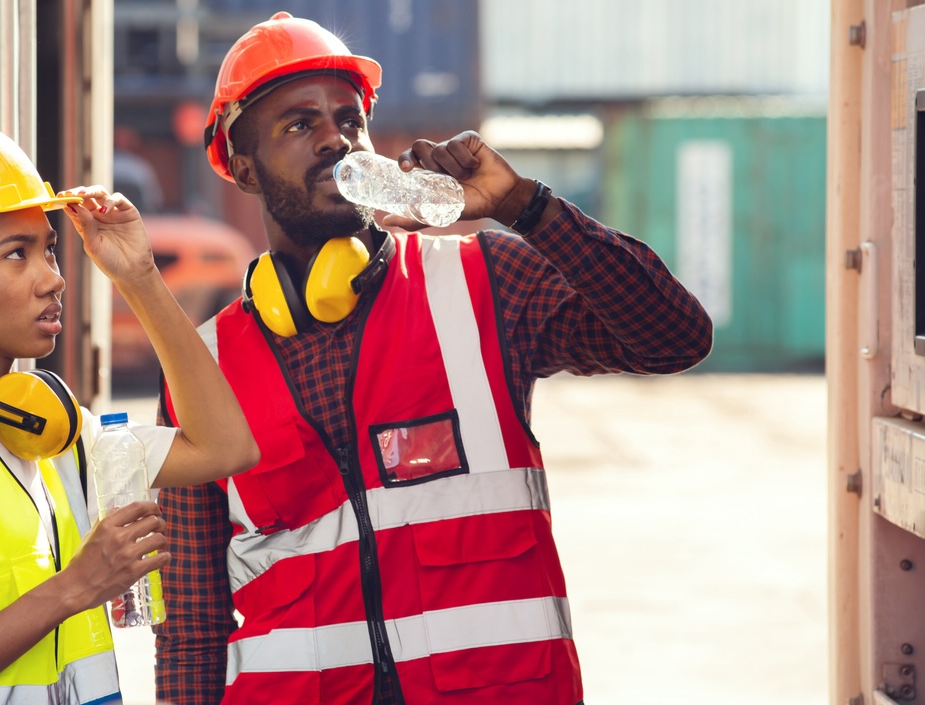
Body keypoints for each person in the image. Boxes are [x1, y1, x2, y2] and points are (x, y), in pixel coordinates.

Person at [153, 12, 713, 705]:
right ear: (242, 165)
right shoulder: (200, 369)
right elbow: (192, 623)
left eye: (348, 120)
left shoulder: (485, 284)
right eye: (299, 124)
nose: (335, 138)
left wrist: (524, 206)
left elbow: (673, 335)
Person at [0, 113, 259, 705]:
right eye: (17, 254)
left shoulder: (54, 432)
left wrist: (139, 277)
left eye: (50, 251)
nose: (52, 279)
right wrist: (77, 588)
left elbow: (226, 448)